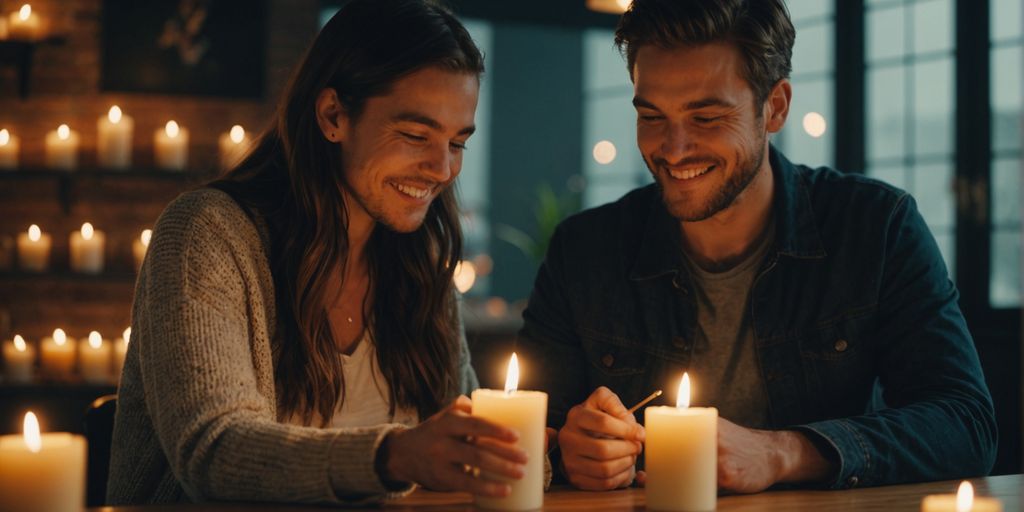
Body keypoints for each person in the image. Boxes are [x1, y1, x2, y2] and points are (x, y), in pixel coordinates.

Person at [516, 0, 997, 494]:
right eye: (652, 116)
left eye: (705, 118)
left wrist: (782, 453)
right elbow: (527, 438)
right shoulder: (585, 250)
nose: (673, 149)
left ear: (776, 107)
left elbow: (965, 424)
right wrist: (569, 453)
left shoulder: (876, 227)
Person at [108, 0, 529, 505]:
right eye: (416, 135)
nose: (442, 168)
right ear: (333, 115)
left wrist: (553, 453)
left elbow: (466, 448)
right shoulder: (207, 235)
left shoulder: (419, 256)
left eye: (457, 143)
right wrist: (392, 456)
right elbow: (214, 450)